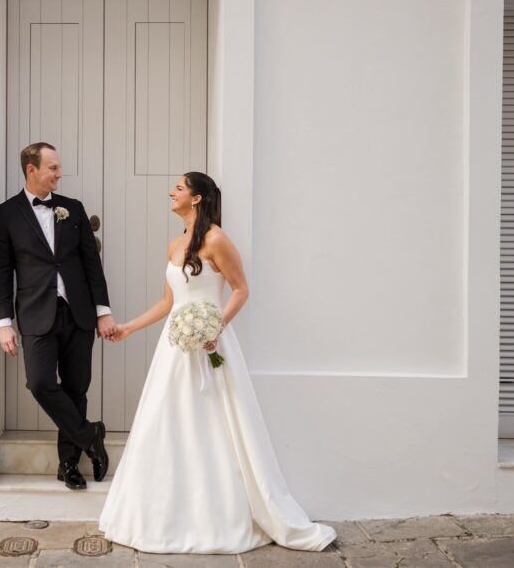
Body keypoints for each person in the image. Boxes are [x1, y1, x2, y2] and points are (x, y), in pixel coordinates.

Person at [98, 171, 337, 553]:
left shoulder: (216, 239)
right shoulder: (174, 245)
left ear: (196, 198)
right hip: (173, 349)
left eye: (178, 187)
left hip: (210, 346)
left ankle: (222, 514)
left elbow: (241, 289)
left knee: (214, 423)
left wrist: (215, 326)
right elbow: (168, 303)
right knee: (166, 420)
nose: (170, 192)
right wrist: (128, 328)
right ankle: (160, 514)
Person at [0, 142, 117, 490]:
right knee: (41, 383)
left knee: (77, 389)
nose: (59, 174)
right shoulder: (6, 214)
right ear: (31, 170)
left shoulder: (72, 209)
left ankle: (68, 465)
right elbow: (3, 272)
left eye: (58, 167)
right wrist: (4, 323)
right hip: (34, 315)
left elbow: (92, 264)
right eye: (53, 168)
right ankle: (90, 435)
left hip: (78, 314)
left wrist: (102, 312)